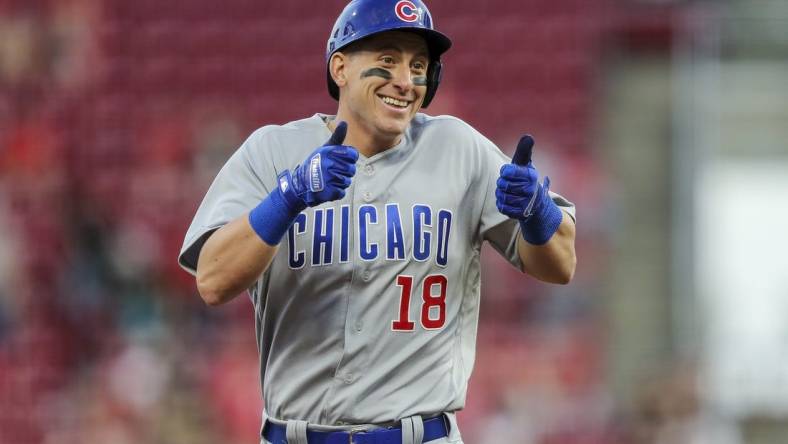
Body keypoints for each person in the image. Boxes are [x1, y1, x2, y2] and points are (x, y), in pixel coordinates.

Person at [178, 0, 577, 442]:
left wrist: (537, 212)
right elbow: (213, 281)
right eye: (387, 60)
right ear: (340, 68)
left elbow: (560, 265)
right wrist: (287, 198)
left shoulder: (459, 150)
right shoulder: (272, 152)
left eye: (419, 64)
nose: (405, 81)